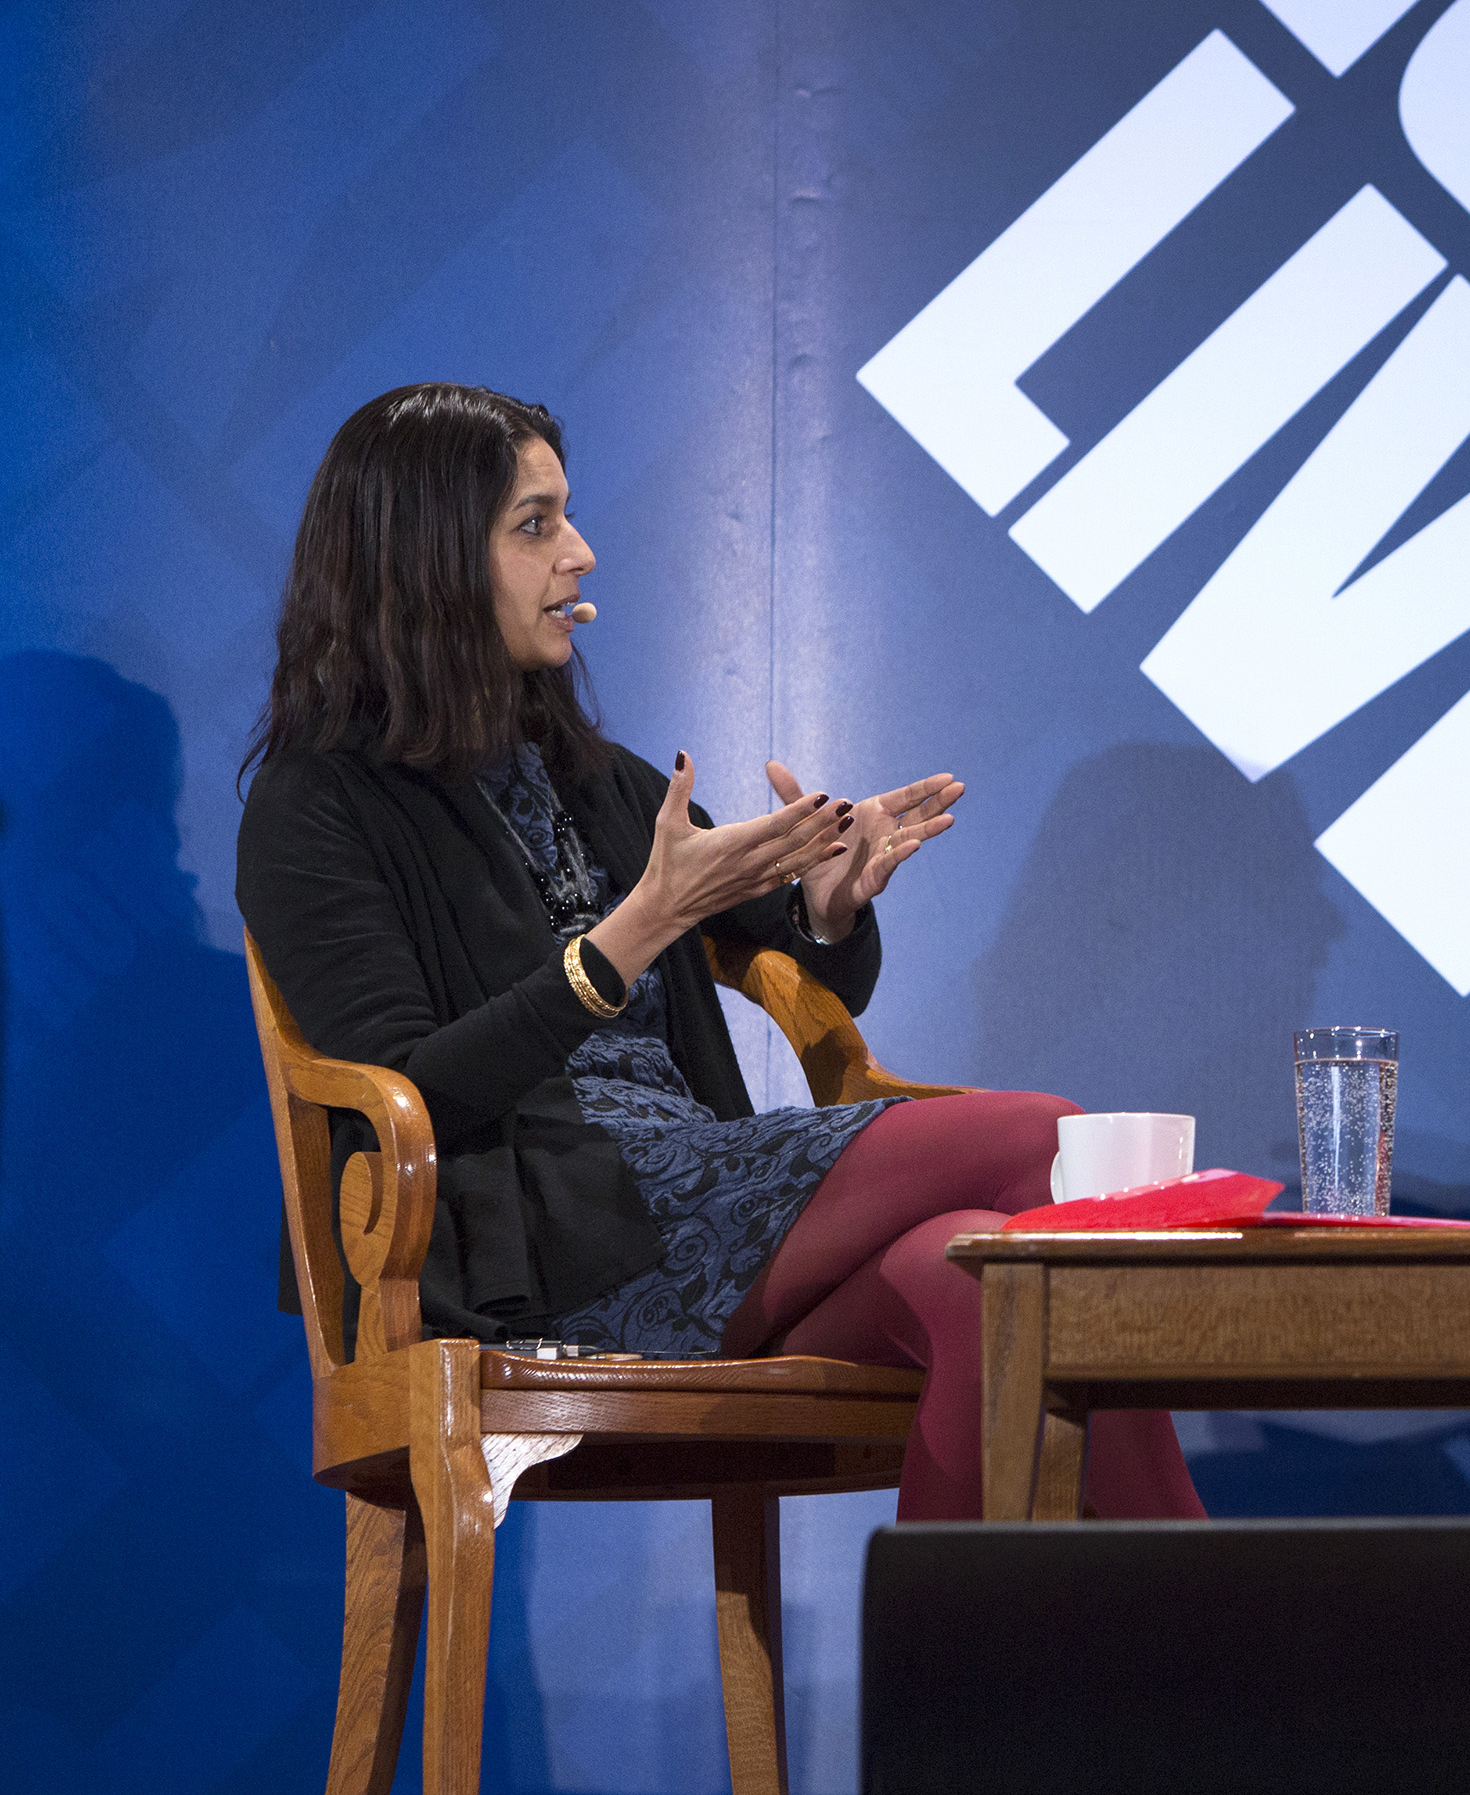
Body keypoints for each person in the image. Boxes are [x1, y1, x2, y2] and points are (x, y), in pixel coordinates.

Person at [237, 382, 1202, 1523]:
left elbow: (806, 964)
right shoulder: (315, 809)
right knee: (1045, 1131)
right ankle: (1233, 1686)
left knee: (993, 1279)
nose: (583, 554)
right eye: (535, 525)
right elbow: (407, 1089)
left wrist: (830, 905)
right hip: (553, 1252)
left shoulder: (591, 773)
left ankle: (997, 1700)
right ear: (429, 561)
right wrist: (626, 937)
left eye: (570, 516)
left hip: (702, 1200)